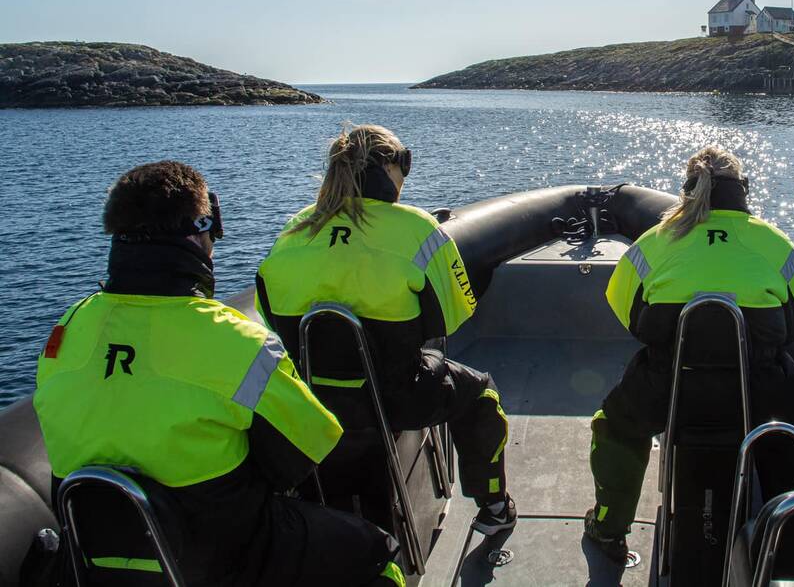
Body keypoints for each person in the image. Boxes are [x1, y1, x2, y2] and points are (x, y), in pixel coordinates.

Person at [32, 161, 404, 587]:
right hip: (225, 556)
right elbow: (307, 453)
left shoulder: (65, 330)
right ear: (200, 230)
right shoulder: (239, 342)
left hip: (101, 561)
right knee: (377, 556)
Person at [254, 124, 515, 534]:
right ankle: (495, 508)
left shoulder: (296, 227)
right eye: (403, 163)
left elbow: (268, 317)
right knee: (481, 394)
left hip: (312, 398)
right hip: (395, 394)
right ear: (388, 167)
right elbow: (452, 316)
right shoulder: (416, 228)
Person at [583, 146, 794, 563]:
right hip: (758, 392)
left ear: (687, 187)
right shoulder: (772, 242)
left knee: (615, 426)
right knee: (792, 430)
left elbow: (625, 309)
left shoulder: (655, 242)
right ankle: (788, 534)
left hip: (670, 388)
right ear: (741, 188)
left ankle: (609, 527)